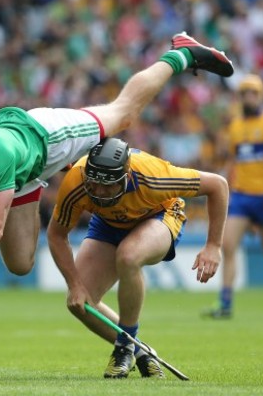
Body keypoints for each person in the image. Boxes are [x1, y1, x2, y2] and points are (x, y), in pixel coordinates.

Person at [0, 32, 234, 315]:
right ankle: (126, 339)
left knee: (123, 114)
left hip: (48, 137)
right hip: (26, 173)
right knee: (20, 265)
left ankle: (181, 53)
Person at [47, 137, 228, 379]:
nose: (99, 192)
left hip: (158, 215)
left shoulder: (155, 176)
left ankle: (123, 348)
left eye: (108, 185)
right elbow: (56, 235)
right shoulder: (77, 181)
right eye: (94, 183)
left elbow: (218, 185)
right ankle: (141, 351)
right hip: (108, 222)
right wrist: (74, 284)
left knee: (129, 256)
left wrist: (213, 245)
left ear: (126, 176)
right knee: (81, 303)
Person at [203, 74, 263, 319]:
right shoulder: (235, 126)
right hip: (242, 195)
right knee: (227, 245)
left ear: (260, 96)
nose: (248, 97)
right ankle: (225, 304)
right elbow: (233, 160)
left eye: (253, 93)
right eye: (244, 93)